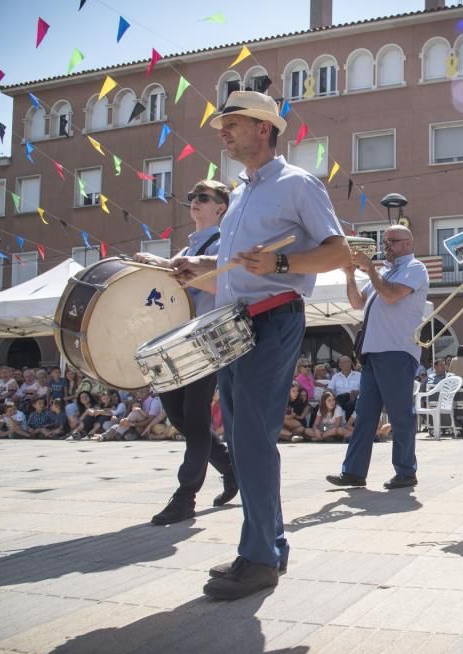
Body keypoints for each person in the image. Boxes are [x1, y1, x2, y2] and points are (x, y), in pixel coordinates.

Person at [172, 90, 349, 600]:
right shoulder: (242, 191)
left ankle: (258, 560)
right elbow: (232, 277)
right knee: (246, 437)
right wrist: (198, 271)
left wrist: (278, 264)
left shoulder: (298, 183)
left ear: (265, 128)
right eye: (222, 123)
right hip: (237, 321)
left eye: (233, 123)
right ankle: (270, 545)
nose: (222, 131)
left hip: (272, 320)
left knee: (250, 439)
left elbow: (337, 251)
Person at [134, 179, 240, 525]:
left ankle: (185, 497)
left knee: (194, 421)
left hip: (205, 342)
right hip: (175, 341)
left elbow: (204, 275)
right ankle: (230, 468)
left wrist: (159, 264)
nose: (194, 201)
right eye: (192, 196)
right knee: (180, 418)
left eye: (203, 198)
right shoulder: (185, 248)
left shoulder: (223, 243)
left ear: (221, 208)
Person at [327, 225, 429, 489]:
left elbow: (392, 295)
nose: (387, 246)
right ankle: (353, 472)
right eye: (385, 241)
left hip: (396, 351)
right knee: (364, 415)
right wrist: (350, 275)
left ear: (408, 243)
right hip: (374, 353)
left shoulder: (415, 268)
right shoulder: (384, 271)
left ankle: (406, 471)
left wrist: (370, 269)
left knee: (400, 414)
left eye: (392, 241)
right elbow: (357, 304)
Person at [328, 355, 361, 421]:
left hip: (353, 397)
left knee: (351, 404)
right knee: (335, 402)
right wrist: (327, 393)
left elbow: (364, 389)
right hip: (340, 398)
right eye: (340, 363)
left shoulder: (359, 375)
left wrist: (357, 392)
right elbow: (330, 388)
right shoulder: (336, 376)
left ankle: (348, 425)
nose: (341, 364)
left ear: (350, 363)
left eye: (344, 362)